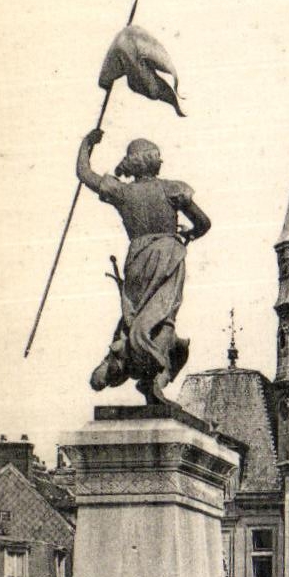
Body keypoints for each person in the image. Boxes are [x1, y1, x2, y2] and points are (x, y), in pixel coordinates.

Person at [76, 128, 211, 404]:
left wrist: (86, 144)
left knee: (136, 315)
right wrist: (188, 235)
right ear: (153, 162)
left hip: (137, 259)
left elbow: (84, 173)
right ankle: (153, 373)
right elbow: (204, 223)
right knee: (163, 317)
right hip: (169, 256)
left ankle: (120, 356)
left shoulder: (122, 192)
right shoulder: (172, 189)